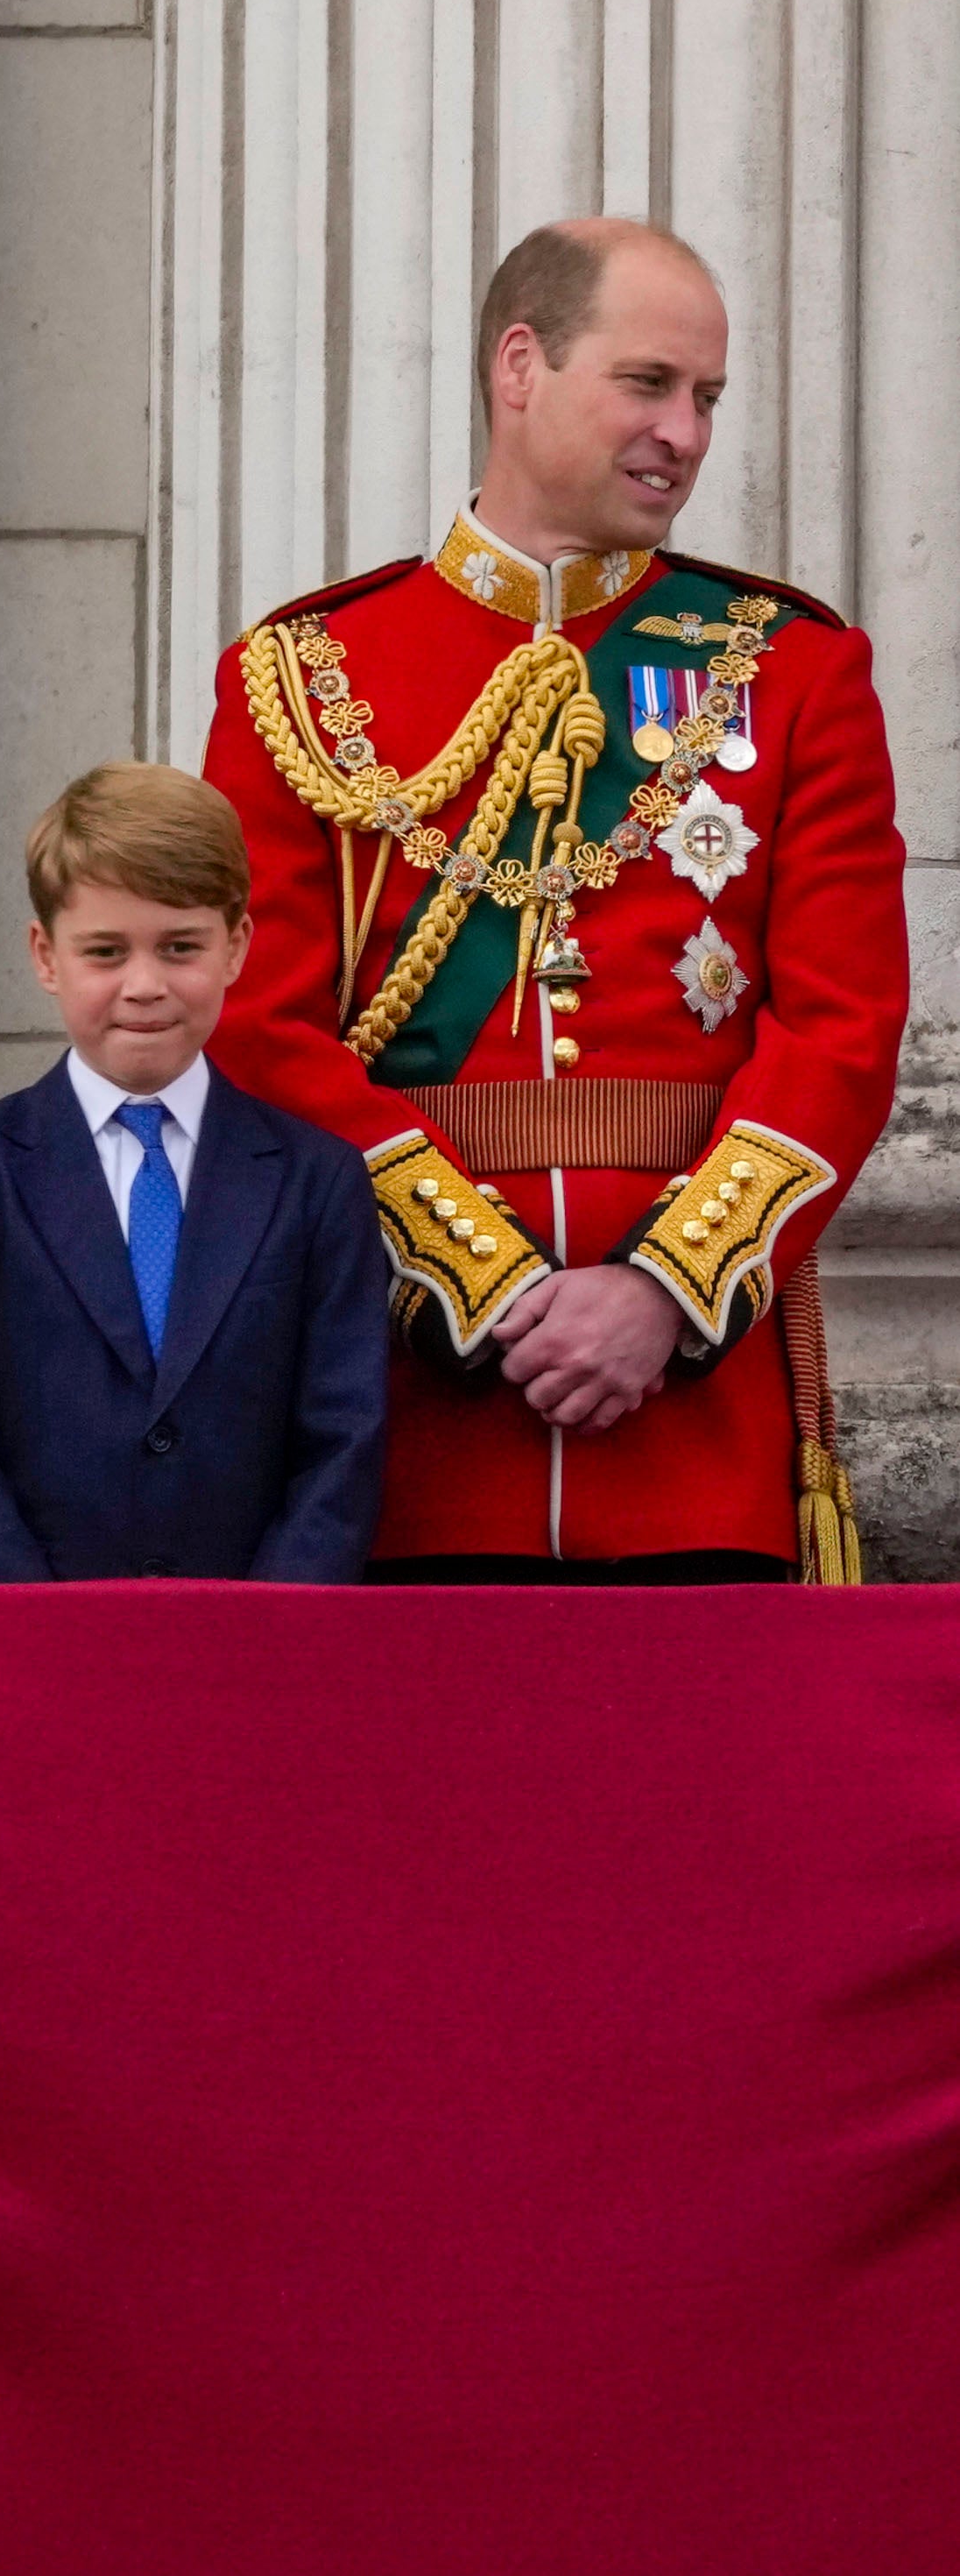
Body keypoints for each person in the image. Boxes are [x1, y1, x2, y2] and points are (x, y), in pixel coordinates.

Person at [197, 218, 907, 1582]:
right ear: (520, 364)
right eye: (649, 383)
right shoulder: (302, 673)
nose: (686, 432)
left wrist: (663, 1290)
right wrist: (487, 1285)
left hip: (693, 1432)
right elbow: (257, 1028)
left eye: (707, 398)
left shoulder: (794, 669)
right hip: (406, 1428)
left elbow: (844, 1027)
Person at [0, 764, 389, 1581]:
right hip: (30, 1646)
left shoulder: (314, 1179)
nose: (144, 986)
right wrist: (30, 1627)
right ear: (46, 955)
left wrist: (270, 1626)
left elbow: (345, 1434)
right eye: (106, 952)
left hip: (251, 1646)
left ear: (237, 947)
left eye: (180, 947)